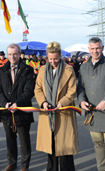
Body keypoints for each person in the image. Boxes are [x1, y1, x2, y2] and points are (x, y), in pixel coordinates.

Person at [78, 37, 105, 171]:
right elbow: (80, 87)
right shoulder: (84, 67)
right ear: (88, 49)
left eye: (97, 48)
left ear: (102, 48)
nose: (95, 51)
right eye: (92, 49)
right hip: (92, 114)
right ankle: (101, 169)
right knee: (98, 146)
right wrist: (81, 101)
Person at [35, 42, 78, 171]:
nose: (53, 61)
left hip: (63, 112)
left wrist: (62, 102)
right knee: (51, 147)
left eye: (56, 58)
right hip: (48, 113)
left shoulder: (68, 70)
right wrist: (43, 102)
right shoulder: (42, 70)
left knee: (65, 149)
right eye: (50, 58)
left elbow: (72, 90)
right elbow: (38, 89)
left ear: (61, 56)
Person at [0, 44, 35, 171]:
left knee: (24, 141)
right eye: (10, 54)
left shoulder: (28, 70)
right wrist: (4, 104)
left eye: (15, 54)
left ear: (19, 54)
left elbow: (29, 91)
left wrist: (17, 103)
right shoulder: (2, 70)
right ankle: (12, 162)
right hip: (7, 112)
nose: (12, 57)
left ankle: (25, 166)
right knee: (10, 140)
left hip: (22, 111)